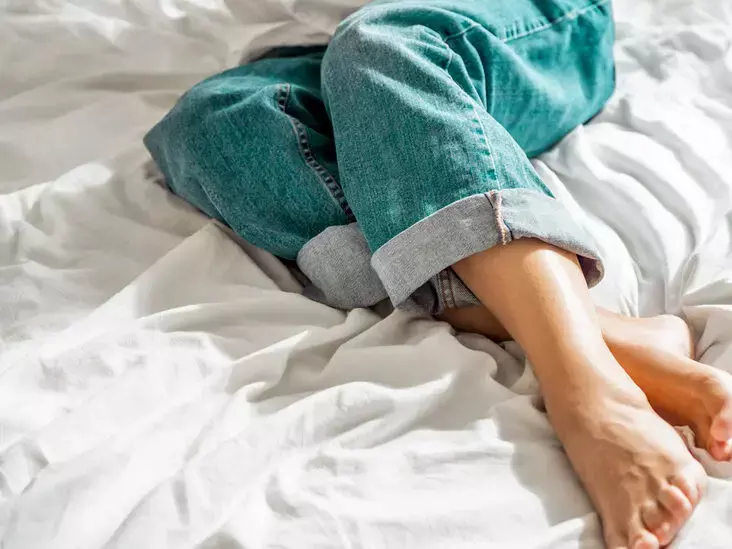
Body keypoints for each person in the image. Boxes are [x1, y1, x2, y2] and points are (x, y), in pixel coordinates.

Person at [143, 0, 732, 547]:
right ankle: (604, 337)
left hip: (515, 22)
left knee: (381, 42)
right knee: (217, 119)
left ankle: (590, 388)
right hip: (310, 49)